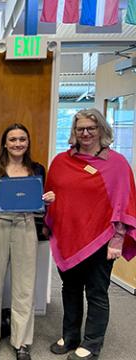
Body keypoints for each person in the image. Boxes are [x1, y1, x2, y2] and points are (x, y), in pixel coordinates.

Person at [45, 109, 136, 360]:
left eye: (91, 128)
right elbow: (51, 194)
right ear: (73, 132)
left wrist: (117, 240)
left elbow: (124, 204)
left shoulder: (116, 164)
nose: (85, 133)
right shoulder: (61, 161)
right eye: (80, 128)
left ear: (101, 131)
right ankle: (71, 335)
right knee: (70, 289)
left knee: (96, 292)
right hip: (68, 237)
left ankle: (92, 344)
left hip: (102, 240)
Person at [0, 124, 55, 360]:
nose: (18, 143)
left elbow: (39, 205)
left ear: (27, 143)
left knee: (25, 286)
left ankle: (22, 342)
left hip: (24, 225)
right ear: (5, 143)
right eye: (12, 140)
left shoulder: (37, 169)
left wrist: (48, 201)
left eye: (22, 139)